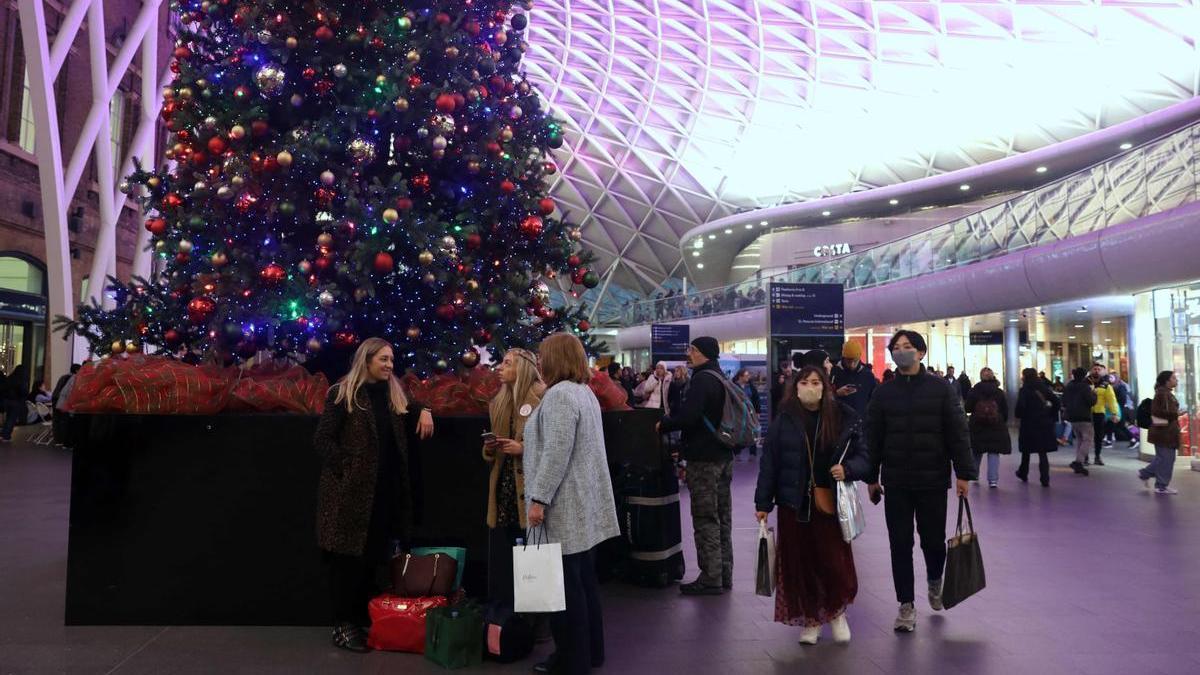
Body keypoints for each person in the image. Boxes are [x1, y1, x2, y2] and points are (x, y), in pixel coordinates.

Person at [312, 338, 434, 653]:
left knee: (369, 563)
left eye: (392, 359)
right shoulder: (343, 394)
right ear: (366, 360)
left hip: (383, 496)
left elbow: (411, 410)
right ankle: (342, 625)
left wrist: (424, 410)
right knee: (346, 564)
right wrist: (347, 469)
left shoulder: (394, 395)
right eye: (383, 359)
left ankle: (361, 620)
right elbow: (323, 439)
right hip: (350, 497)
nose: (390, 365)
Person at [865, 330, 974, 633]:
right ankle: (906, 605)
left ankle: (935, 581)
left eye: (908, 347)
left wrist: (963, 473)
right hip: (896, 482)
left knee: (932, 541)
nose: (901, 352)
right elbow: (873, 438)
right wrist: (871, 478)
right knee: (899, 544)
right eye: (896, 348)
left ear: (921, 352)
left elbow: (957, 433)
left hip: (932, 480)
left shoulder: (941, 389)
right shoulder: (883, 393)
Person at [524, 332, 620, 675]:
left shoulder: (561, 396)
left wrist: (538, 499)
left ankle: (570, 659)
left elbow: (556, 453)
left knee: (564, 591)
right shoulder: (584, 393)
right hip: (582, 504)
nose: (538, 360)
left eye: (541, 354)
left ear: (555, 358)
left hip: (563, 505)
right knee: (583, 584)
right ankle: (590, 653)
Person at [755, 366, 869, 645]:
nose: (810, 387)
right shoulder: (784, 420)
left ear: (826, 385)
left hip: (827, 503)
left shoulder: (843, 417)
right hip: (793, 505)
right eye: (804, 382)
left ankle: (835, 612)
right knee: (799, 563)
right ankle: (811, 619)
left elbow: (864, 456)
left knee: (832, 560)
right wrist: (763, 502)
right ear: (795, 386)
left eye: (816, 382)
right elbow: (770, 463)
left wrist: (848, 469)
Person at [658, 336, 732, 595]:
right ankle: (724, 573)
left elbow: (689, 416)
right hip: (723, 457)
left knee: (705, 518)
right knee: (723, 517)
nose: (689, 354)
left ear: (704, 354)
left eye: (693, 350)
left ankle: (711, 578)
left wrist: (664, 424)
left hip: (704, 459)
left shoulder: (701, 380)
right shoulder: (721, 377)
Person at [484, 348, 545, 604]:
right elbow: (491, 454)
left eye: (507, 363)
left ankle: (536, 614)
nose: (500, 367)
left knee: (533, 555)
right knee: (507, 550)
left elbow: (552, 445)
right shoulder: (498, 401)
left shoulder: (542, 397)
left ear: (522, 367)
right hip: (505, 487)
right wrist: (489, 448)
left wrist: (523, 449)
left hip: (531, 489)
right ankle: (510, 612)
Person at [964, 368, 1010, 488]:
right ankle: (993, 480)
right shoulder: (999, 392)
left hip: (977, 425)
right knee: (993, 452)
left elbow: (967, 407)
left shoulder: (974, 391)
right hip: (996, 425)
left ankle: (974, 475)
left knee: (976, 451)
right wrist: (1001, 421)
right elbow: (1005, 410)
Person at [1014, 368, 1059, 487]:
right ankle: (1045, 478)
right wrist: (1050, 414)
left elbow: (1020, 407)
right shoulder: (1044, 388)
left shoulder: (1024, 390)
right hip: (1044, 423)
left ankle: (1023, 472)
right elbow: (1056, 402)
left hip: (1029, 423)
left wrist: (1020, 414)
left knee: (1026, 450)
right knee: (1042, 452)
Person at [1139, 371, 1181, 495]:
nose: (1176, 380)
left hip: (1165, 432)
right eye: (1173, 378)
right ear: (1167, 381)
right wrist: (1176, 414)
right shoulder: (1162, 394)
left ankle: (1145, 474)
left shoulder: (1165, 393)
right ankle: (1161, 485)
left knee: (1164, 458)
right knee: (1166, 459)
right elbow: (1157, 411)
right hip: (1164, 432)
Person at [1062, 368, 1096, 475]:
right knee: (1088, 440)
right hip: (1084, 416)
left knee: (1080, 439)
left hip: (1072, 416)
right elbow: (1091, 401)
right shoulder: (1085, 387)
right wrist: (1094, 394)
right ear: (1084, 375)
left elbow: (1063, 400)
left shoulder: (1068, 386)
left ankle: (1079, 461)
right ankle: (1078, 462)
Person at [831, 341, 877, 417]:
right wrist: (837, 393)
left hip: (861, 421)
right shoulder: (834, 372)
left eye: (855, 361)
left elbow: (874, 399)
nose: (852, 365)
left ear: (859, 358)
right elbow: (825, 398)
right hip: (839, 420)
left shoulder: (867, 375)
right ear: (843, 357)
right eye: (848, 361)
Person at [1088, 364, 1120, 466]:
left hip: (1099, 413)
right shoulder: (1086, 383)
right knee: (1086, 437)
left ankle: (1097, 456)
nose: (1096, 371)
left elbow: (1112, 400)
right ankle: (1084, 457)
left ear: (1102, 372)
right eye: (1095, 369)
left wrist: (1115, 413)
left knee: (1098, 437)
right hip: (1087, 414)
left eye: (1099, 369)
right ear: (1091, 371)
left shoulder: (1106, 385)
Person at [734, 368, 762, 458]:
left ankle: (752, 453)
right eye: (746, 376)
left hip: (750, 413)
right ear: (740, 376)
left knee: (752, 431)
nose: (748, 377)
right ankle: (737, 453)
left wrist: (757, 412)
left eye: (749, 375)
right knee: (738, 432)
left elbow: (756, 399)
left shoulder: (751, 386)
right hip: (738, 413)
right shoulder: (733, 387)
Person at [1, 364, 29, 442]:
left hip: (5, 401)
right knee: (11, 419)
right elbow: (23, 392)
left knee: (7, 418)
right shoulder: (22, 381)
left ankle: (3, 434)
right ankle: (6, 436)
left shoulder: (10, 378)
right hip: (16, 402)